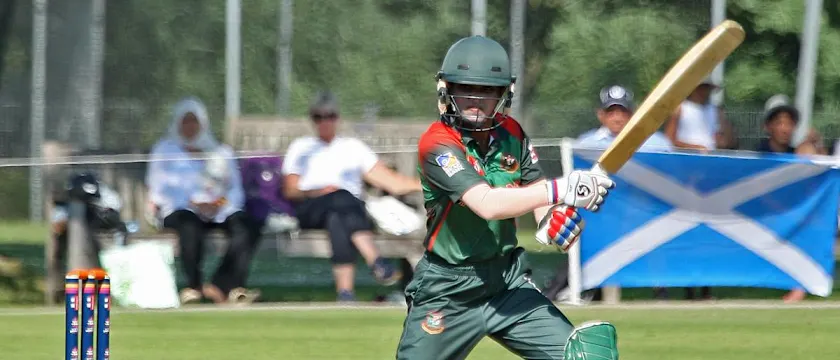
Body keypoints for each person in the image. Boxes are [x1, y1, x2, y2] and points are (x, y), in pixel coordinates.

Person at [394, 35, 619, 360]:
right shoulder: (437, 144)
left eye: (487, 91)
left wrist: (550, 215)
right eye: (465, 88)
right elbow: (487, 204)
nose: (476, 100)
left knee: (586, 356)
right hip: (447, 289)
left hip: (506, 284)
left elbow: (534, 187)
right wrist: (560, 189)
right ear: (447, 91)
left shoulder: (512, 133)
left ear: (504, 94)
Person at [281, 90, 423, 302]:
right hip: (310, 207)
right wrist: (318, 191)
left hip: (347, 210)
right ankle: (375, 260)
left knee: (338, 217)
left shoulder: (352, 147)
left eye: (329, 116)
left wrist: (430, 184)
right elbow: (290, 190)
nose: (324, 122)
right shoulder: (301, 147)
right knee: (341, 198)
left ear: (336, 118)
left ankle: (345, 294)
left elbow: (390, 181)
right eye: (318, 117)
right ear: (312, 119)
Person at [543, 85, 673, 303]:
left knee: (653, 238)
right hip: (601, 214)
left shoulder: (655, 143)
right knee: (579, 236)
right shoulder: (586, 143)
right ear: (600, 115)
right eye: (611, 111)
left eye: (623, 111)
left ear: (633, 114)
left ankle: (662, 294)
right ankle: (557, 292)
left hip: (642, 212)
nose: (617, 117)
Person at [146, 97, 261, 305]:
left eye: (194, 121)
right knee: (189, 226)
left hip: (219, 210)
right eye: (186, 121)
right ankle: (194, 287)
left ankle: (225, 285)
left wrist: (218, 204)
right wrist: (193, 203)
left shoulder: (220, 151)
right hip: (180, 209)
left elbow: (234, 189)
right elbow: (158, 188)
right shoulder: (165, 150)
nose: (190, 127)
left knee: (247, 227)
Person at [664, 78, 737, 151]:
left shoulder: (716, 110)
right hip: (684, 157)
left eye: (707, 88)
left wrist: (723, 141)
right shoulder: (680, 108)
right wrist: (696, 148)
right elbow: (669, 140)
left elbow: (729, 143)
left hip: (711, 157)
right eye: (701, 88)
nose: (704, 91)